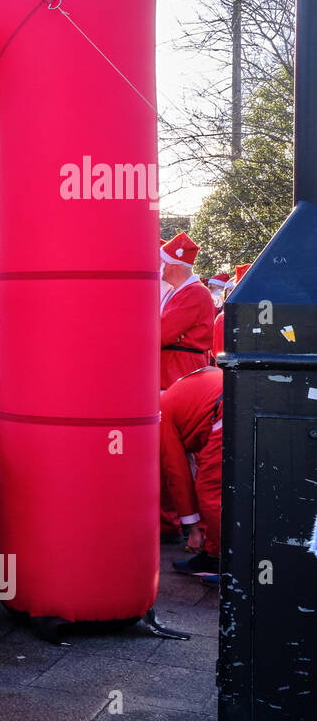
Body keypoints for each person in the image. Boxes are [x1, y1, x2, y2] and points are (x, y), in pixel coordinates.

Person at [160, 366, 223, 585]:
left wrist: (193, 530)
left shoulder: (161, 416)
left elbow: (177, 475)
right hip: (227, 400)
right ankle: (215, 555)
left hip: (221, 411)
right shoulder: (170, 398)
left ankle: (230, 564)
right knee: (213, 487)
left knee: (211, 491)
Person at [159, 232, 214, 391]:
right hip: (173, 372)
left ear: (172, 264)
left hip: (180, 373)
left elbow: (162, 333)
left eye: (163, 261)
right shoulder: (177, 292)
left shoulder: (195, 292)